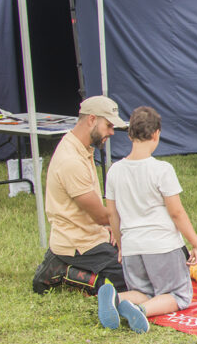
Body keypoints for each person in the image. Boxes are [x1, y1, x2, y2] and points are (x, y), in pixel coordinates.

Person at [99, 107, 197, 334]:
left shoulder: (114, 171)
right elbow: (177, 213)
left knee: (143, 290)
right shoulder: (162, 169)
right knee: (179, 295)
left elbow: (112, 214)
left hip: (132, 246)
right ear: (156, 134)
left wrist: (120, 243)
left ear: (129, 134)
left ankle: (118, 299)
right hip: (162, 245)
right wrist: (195, 242)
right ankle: (141, 310)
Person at [31, 96, 129, 295]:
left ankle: (63, 264)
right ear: (91, 119)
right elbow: (102, 216)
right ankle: (60, 270)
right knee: (133, 276)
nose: (111, 132)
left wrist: (112, 227)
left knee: (140, 266)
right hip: (79, 243)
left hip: (90, 235)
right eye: (108, 125)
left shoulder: (81, 147)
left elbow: (102, 217)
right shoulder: (71, 160)